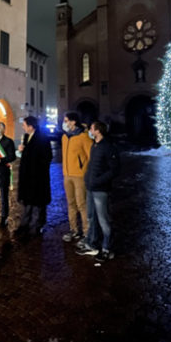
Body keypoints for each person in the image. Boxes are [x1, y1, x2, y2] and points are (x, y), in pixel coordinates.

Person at [76, 121, 119, 262]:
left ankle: (107, 248)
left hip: (100, 189)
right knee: (91, 217)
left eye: (91, 129)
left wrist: (98, 181)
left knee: (103, 220)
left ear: (98, 131)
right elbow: (92, 165)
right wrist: (88, 178)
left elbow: (114, 170)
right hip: (91, 188)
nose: (89, 131)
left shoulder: (108, 147)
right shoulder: (95, 146)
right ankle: (92, 244)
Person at [15, 116, 53, 236]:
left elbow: (47, 157)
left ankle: (38, 225)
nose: (23, 127)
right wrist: (22, 151)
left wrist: (29, 154)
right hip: (27, 176)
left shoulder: (43, 139)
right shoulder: (26, 137)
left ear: (31, 127)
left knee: (38, 203)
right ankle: (24, 225)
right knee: (28, 202)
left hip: (37, 177)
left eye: (24, 125)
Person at [60, 111, 92, 243]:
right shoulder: (64, 137)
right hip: (67, 175)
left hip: (79, 176)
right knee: (71, 204)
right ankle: (74, 230)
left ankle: (87, 233)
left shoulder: (83, 137)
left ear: (73, 122)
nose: (64, 123)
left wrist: (86, 172)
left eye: (66, 120)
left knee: (82, 204)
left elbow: (90, 157)